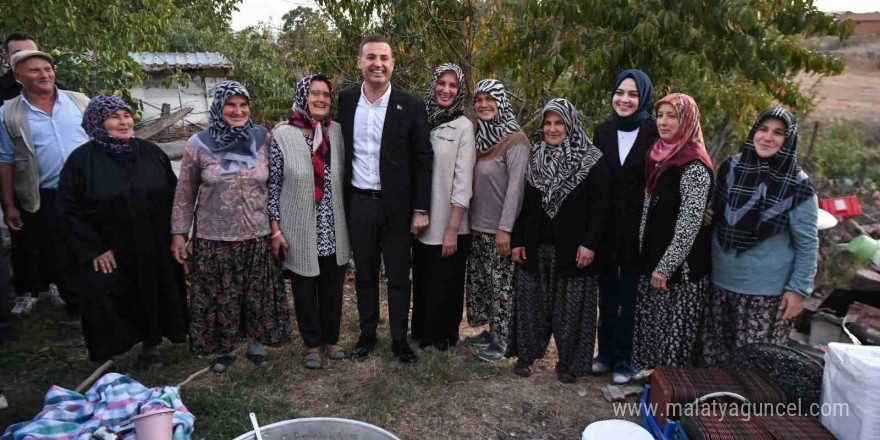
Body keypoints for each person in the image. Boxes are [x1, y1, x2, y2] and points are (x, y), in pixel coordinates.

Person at [55, 95, 188, 366]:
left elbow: (176, 197)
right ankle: (106, 357)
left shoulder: (151, 153)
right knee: (105, 300)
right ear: (96, 122)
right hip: (107, 249)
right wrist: (93, 248)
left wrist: (178, 235)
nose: (124, 121)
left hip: (153, 243)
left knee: (152, 292)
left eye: (126, 115)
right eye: (115, 117)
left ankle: (151, 347)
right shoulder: (81, 162)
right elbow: (67, 210)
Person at [171, 80, 291, 372]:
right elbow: (185, 192)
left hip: (257, 234)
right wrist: (179, 233)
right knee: (220, 295)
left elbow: (276, 184)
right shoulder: (198, 145)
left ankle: (255, 344)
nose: (238, 111)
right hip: (215, 235)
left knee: (255, 294)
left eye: (243, 105)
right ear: (218, 107)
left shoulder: (263, 139)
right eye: (230, 105)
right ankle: (223, 349)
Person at [336, 35, 433, 364]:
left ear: (393, 64)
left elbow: (423, 160)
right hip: (359, 203)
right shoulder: (346, 102)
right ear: (359, 61)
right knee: (363, 273)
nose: (377, 63)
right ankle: (367, 336)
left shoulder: (411, 106)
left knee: (397, 275)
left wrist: (421, 209)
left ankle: (398, 340)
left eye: (384, 58)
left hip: (397, 208)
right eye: (371, 57)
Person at [702, 108, 818, 366]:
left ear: (789, 140)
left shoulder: (798, 185)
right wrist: (707, 214)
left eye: (778, 133)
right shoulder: (732, 167)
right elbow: (717, 208)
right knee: (714, 365)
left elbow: (808, 243)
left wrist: (799, 290)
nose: (768, 137)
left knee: (755, 372)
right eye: (762, 129)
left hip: (766, 296)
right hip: (720, 284)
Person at [508, 98, 611, 382]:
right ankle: (527, 356)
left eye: (559, 123)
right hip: (536, 246)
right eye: (548, 123)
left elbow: (602, 207)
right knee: (531, 306)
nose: (552, 129)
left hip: (575, 250)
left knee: (571, 312)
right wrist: (517, 239)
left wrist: (590, 243)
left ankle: (568, 363)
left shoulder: (591, 159)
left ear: (571, 125)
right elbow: (524, 205)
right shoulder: (534, 157)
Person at [268, 73, 351, 370]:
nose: (321, 99)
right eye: (315, 93)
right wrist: (275, 228)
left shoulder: (338, 132)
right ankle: (312, 344)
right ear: (303, 96)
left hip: (333, 225)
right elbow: (273, 185)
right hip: (300, 227)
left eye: (326, 94)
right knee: (304, 289)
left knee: (333, 286)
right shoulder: (283, 135)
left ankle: (331, 340)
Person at [0, 50, 88, 317]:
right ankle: (75, 307)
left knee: (95, 244)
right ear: (18, 76)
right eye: (35, 70)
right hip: (46, 194)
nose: (44, 74)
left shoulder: (79, 101)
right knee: (58, 252)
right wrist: (9, 205)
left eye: (47, 69)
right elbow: (5, 160)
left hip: (88, 191)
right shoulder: (8, 112)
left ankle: (102, 300)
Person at [631, 93, 713, 371]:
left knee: (673, 338)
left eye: (672, 116)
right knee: (653, 330)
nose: (663, 122)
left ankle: (671, 396)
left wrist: (665, 267)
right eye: (660, 115)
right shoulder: (658, 153)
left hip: (680, 272)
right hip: (654, 259)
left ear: (687, 121)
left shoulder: (694, 164)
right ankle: (654, 385)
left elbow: (689, 225)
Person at [591, 69, 658, 384]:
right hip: (605, 229)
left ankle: (624, 361)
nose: (625, 99)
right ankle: (604, 355)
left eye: (632, 94)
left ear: (643, 97)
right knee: (607, 298)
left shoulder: (655, 132)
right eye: (620, 92)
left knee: (630, 300)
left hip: (638, 232)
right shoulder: (602, 131)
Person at [411, 63, 476, 351]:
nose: (446, 90)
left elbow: (463, 181)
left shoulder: (463, 126)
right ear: (433, 84)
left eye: (453, 85)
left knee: (445, 283)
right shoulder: (421, 119)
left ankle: (443, 339)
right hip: (422, 219)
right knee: (424, 280)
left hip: (451, 222)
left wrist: (452, 229)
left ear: (459, 90)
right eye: (442, 83)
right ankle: (422, 333)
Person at [464, 79, 530, 363]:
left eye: (490, 99)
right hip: (477, 226)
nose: (483, 104)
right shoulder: (480, 137)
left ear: (502, 101)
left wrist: (505, 229)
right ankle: (491, 331)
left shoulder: (516, 140)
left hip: (498, 230)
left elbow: (516, 189)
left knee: (502, 287)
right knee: (486, 285)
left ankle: (503, 341)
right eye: (478, 99)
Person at [0, 33, 38, 104]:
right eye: (19, 53)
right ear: (7, 58)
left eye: (31, 52)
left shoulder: (57, 89)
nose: (26, 56)